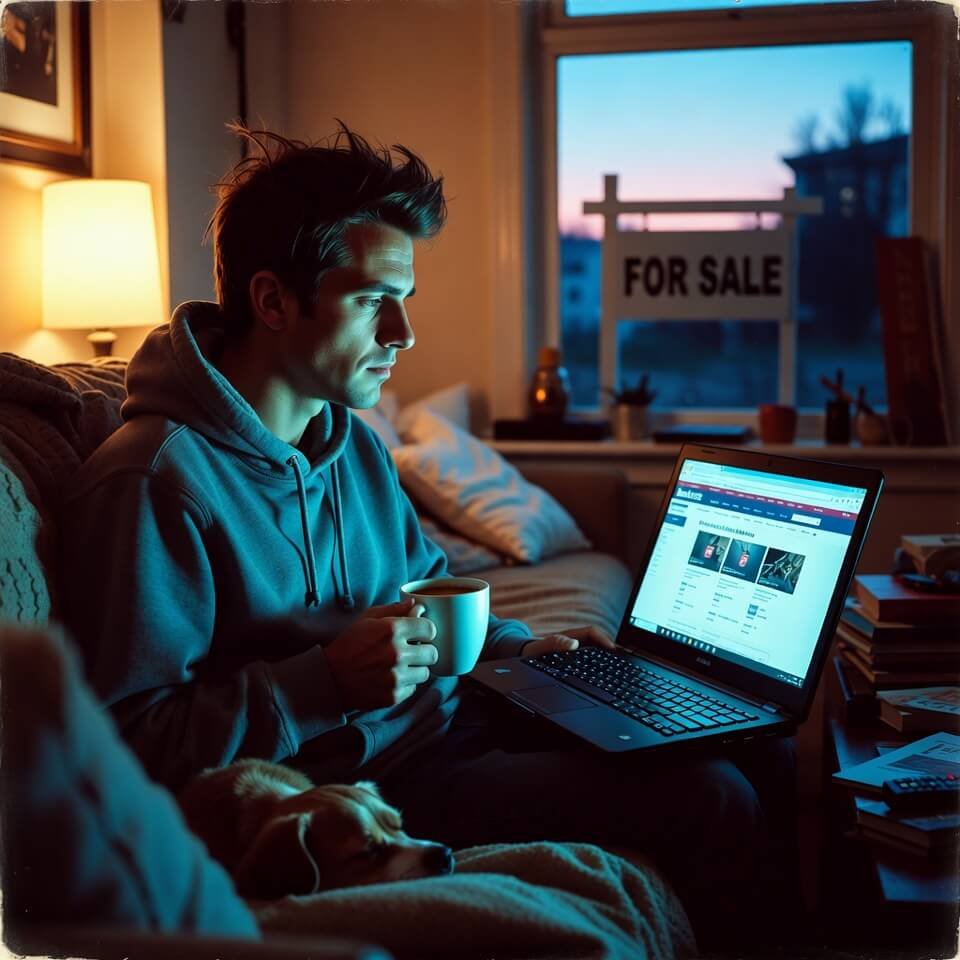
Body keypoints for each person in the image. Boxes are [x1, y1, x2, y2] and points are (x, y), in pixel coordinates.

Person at [58, 124, 796, 948]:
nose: (403, 332)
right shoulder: (154, 483)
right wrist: (321, 685)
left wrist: (525, 649)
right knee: (712, 794)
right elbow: (125, 747)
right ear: (272, 302)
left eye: (403, 299)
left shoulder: (352, 443)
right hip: (376, 786)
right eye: (372, 300)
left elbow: (430, 600)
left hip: (459, 716)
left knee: (753, 735)